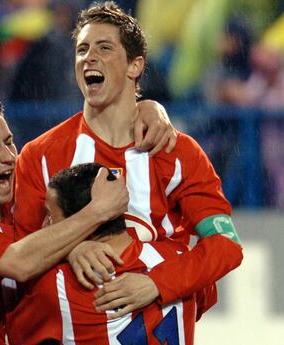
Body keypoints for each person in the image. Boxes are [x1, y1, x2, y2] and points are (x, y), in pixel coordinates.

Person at [13, 1, 243, 321]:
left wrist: (156, 283)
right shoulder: (40, 155)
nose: (89, 57)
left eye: (104, 47)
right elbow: (18, 251)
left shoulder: (176, 151)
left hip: (157, 323)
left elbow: (225, 245)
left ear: (135, 66)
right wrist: (71, 248)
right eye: (82, 50)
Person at [0, 95, 129, 344]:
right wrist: (96, 213)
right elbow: (19, 263)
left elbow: (49, 236)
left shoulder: (19, 194)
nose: (8, 156)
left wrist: (145, 110)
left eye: (9, 142)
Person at [7, 162, 217, 345]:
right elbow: (202, 298)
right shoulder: (182, 259)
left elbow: (14, 334)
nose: (44, 226)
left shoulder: (56, 285)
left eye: (51, 217)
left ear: (83, 219)